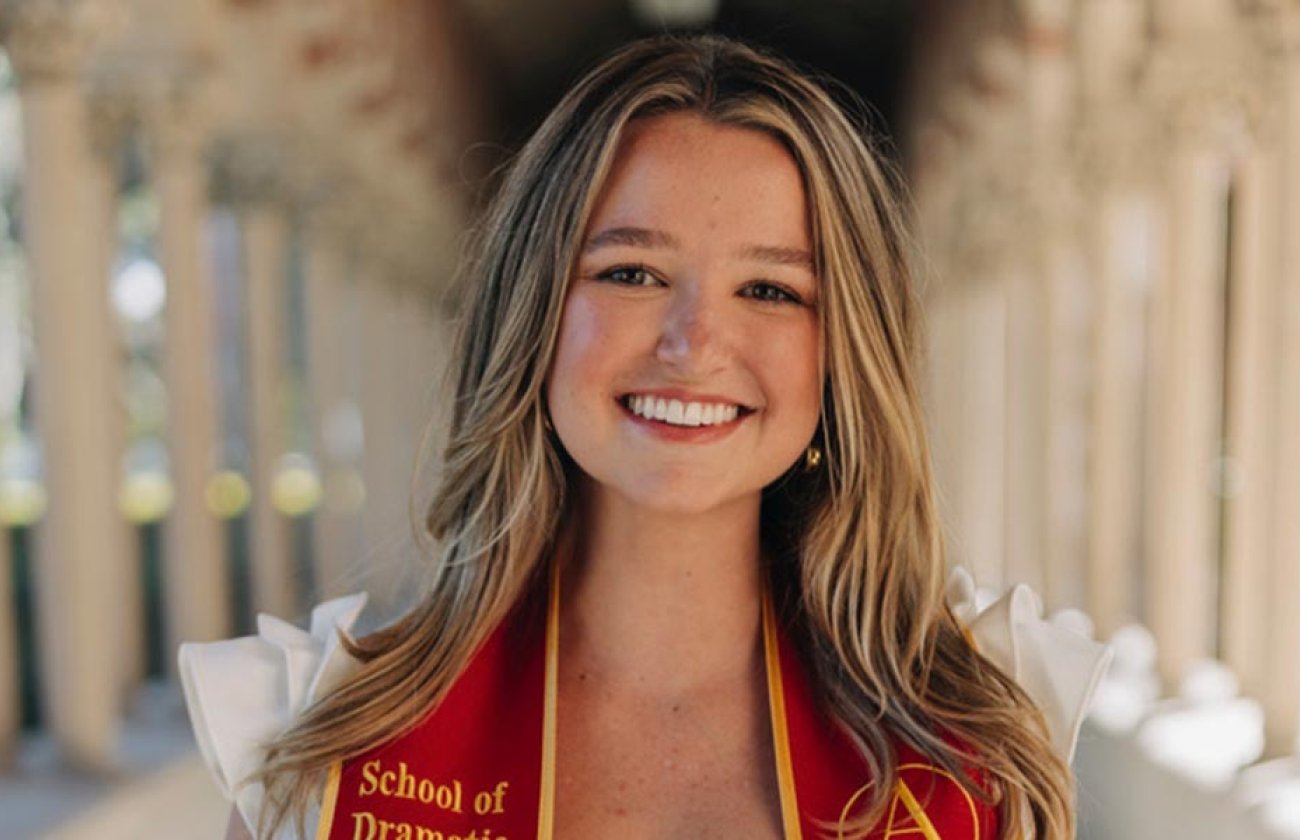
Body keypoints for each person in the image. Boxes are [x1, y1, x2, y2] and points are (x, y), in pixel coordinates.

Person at [181, 34, 1110, 840]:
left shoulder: (981, 733)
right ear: (533, 310)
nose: (692, 342)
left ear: (842, 356)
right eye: (631, 273)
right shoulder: (321, 740)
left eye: (773, 290)